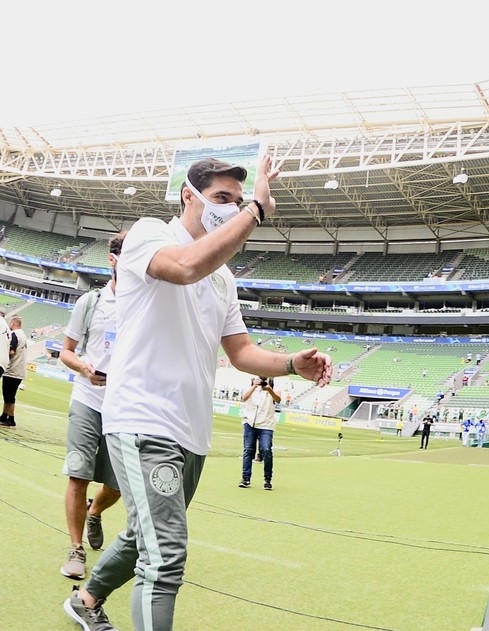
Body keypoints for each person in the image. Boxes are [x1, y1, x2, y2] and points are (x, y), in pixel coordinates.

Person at [63, 155, 333, 631]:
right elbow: (185, 267)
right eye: (221, 199)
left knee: (143, 534)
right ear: (188, 195)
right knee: (166, 554)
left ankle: (87, 599)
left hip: (193, 433)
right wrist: (256, 211)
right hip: (143, 420)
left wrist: (293, 365)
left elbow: (242, 351)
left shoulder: (224, 277)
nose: (231, 208)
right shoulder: (150, 233)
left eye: (236, 200)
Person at [58, 236, 125, 581]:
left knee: (115, 487)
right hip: (86, 398)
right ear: (114, 260)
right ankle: (75, 548)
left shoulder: (147, 304)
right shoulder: (91, 301)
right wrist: (84, 367)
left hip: (125, 407)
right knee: (78, 474)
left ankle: (95, 511)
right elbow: (66, 351)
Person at [239, 376, 280, 490]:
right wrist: (254, 386)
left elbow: (278, 399)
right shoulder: (252, 382)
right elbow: (244, 398)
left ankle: (267, 478)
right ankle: (245, 478)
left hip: (266, 424)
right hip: (250, 422)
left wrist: (269, 389)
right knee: (248, 450)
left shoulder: (273, 383)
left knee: (266, 449)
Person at [2, 315, 27, 426]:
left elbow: (12, 352)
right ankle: (5, 415)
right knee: (10, 395)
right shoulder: (23, 335)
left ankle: (10, 418)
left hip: (12, 370)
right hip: (19, 370)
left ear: (13, 323)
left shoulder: (14, 335)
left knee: (8, 395)